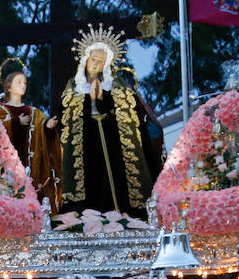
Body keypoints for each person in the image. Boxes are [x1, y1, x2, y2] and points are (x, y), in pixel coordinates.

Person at [58, 32, 162, 218]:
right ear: (86, 59)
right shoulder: (73, 88)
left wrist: (102, 99)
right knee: (90, 185)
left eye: (101, 60)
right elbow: (65, 122)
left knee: (115, 182)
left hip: (115, 151)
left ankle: (122, 213)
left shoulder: (119, 89)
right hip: (85, 151)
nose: (96, 63)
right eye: (93, 58)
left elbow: (134, 122)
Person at [0, 66, 61, 210]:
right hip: (7, 167)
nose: (23, 85)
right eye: (19, 82)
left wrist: (47, 127)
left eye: (24, 82)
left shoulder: (34, 112)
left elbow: (43, 132)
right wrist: (15, 123)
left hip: (31, 166)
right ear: (9, 86)